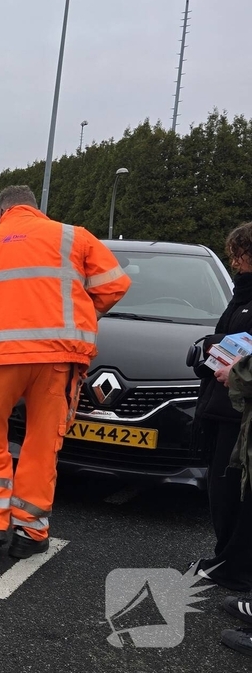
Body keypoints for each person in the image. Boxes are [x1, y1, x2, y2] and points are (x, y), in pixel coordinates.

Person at [0, 185, 130, 558]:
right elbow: (114, 284)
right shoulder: (73, 237)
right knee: (41, 444)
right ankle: (31, 533)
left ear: (0, 213)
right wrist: (80, 315)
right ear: (36, 209)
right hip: (56, 359)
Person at [189, 223, 252, 603]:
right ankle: (226, 558)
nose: (235, 262)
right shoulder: (241, 293)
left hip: (241, 412)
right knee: (222, 488)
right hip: (223, 406)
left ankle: (237, 568)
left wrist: (238, 371)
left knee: (235, 492)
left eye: (239, 254)